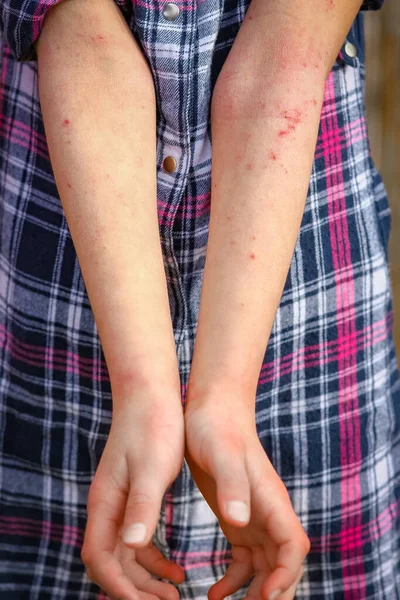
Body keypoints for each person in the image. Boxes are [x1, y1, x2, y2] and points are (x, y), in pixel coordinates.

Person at [0, 0, 398, 598]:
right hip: (59, 307)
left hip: (302, 318)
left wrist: (222, 395)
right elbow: (80, 37)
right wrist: (150, 389)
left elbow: (288, 48)